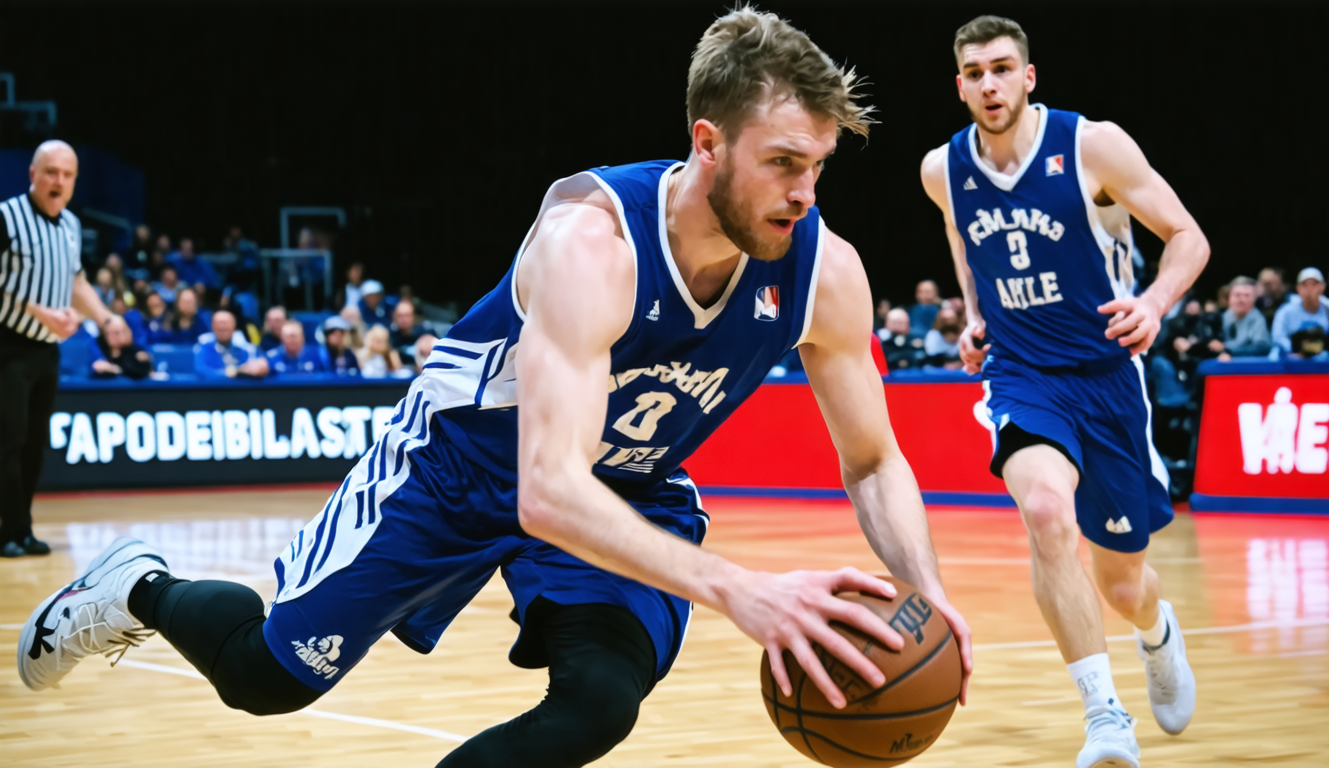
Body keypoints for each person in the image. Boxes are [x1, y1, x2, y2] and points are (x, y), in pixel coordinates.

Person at [18, 10, 973, 767]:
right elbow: (546, 489)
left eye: (818, 167)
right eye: (784, 163)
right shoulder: (591, 243)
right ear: (708, 143)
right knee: (268, 679)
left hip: (628, 486)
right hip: (463, 462)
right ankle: (141, 588)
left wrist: (925, 599)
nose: (806, 193)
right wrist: (747, 594)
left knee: (598, 704)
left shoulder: (823, 270)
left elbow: (874, 457)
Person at [919, 16, 1206, 768]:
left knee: (1123, 583)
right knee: (1045, 512)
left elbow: (1188, 237)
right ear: (960, 85)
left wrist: (1154, 302)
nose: (989, 83)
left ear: (1028, 76)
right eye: (975, 72)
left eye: (1002, 68)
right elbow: (962, 236)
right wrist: (976, 316)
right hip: (1022, 375)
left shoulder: (1091, 145)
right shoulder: (942, 169)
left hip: (1108, 377)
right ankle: (1105, 717)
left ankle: (1156, 632)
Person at [0, 140, 114, 558]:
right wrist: (36, 309)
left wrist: (105, 319)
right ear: (33, 174)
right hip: (7, 345)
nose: (58, 182)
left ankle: (22, 529)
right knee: (7, 441)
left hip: (46, 350)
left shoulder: (69, 224)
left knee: (33, 443)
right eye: (51, 172)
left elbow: (77, 282)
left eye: (67, 175)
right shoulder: (6, 217)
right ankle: (7, 531)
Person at [1270, 267, 1329, 358]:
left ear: (1322, 287)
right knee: (1275, 354)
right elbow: (1278, 337)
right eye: (1304, 285)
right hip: (1292, 354)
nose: (1309, 289)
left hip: (1322, 355)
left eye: (1314, 284)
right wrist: (1295, 349)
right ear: (1298, 288)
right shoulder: (1286, 311)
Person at [194, 311, 269, 379]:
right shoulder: (203, 348)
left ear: (234, 326)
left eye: (226, 323)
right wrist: (236, 372)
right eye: (219, 323)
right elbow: (202, 372)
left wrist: (260, 367)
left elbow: (262, 365)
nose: (222, 326)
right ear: (212, 326)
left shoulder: (248, 348)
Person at [1218, 276, 1271, 360]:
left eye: (1246, 295)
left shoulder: (1258, 319)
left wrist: (1229, 350)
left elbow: (1262, 347)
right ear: (1229, 297)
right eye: (1237, 295)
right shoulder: (1222, 317)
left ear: (1254, 298)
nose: (1241, 299)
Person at [89, 315, 152, 380]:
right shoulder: (98, 345)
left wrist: (116, 369)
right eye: (116, 333)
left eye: (124, 331)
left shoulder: (136, 350)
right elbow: (97, 366)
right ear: (105, 334)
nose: (121, 336)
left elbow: (142, 369)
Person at [388, 299, 433, 364]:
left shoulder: (426, 332)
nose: (404, 320)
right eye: (400, 316)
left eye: (407, 315)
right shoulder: (392, 335)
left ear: (413, 316)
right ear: (395, 317)